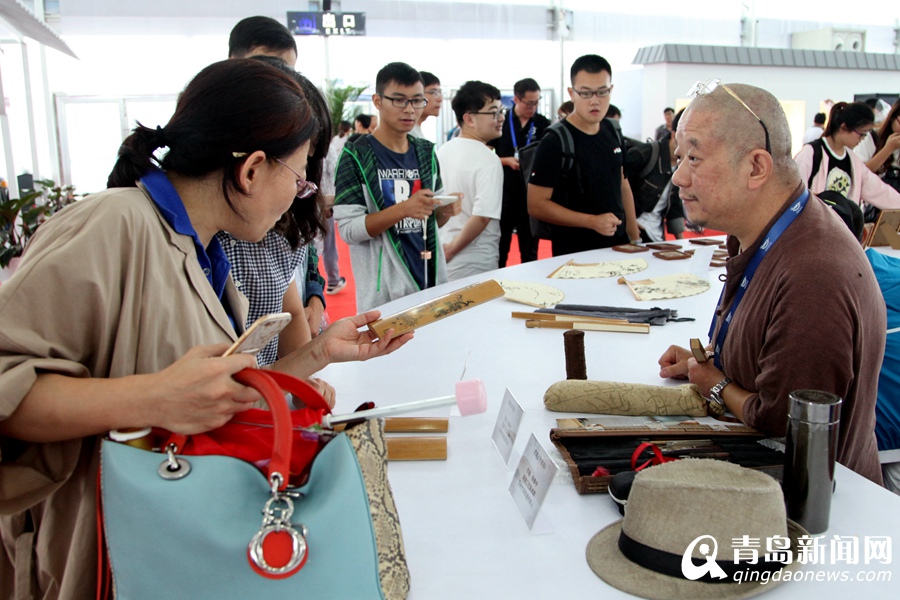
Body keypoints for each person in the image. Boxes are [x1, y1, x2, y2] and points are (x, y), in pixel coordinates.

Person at [0, 59, 413, 600]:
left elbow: (210, 398)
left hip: (163, 544)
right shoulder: (112, 224)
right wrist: (153, 397)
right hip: (104, 554)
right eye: (299, 177)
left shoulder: (208, 253)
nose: (299, 194)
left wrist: (316, 354)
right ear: (251, 171)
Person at [657, 79, 884, 484]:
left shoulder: (813, 275)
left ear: (757, 167)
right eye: (679, 157)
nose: (679, 178)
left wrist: (716, 382)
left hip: (809, 517)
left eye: (693, 158)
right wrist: (710, 357)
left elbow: (782, 423)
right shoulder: (769, 229)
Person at [227, 17, 328, 346]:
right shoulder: (154, 233)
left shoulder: (275, 229)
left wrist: (314, 294)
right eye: (268, 72)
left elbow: (290, 311)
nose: (285, 86)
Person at [334, 62, 460, 311]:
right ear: (378, 101)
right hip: (384, 298)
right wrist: (404, 209)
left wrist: (443, 211)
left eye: (417, 101)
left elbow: (430, 222)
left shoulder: (425, 152)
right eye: (399, 100)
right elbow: (349, 230)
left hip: (431, 284)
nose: (410, 109)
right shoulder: (357, 155)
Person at [527, 54, 640, 256]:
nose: (595, 101)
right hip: (574, 254)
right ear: (572, 93)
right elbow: (536, 205)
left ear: (611, 90)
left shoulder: (613, 130)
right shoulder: (555, 140)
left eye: (602, 92)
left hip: (618, 247)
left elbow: (622, 183)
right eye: (586, 93)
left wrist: (634, 235)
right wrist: (592, 221)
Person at [437, 80, 504, 279]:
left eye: (501, 110)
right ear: (469, 119)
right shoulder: (489, 159)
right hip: (475, 261)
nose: (500, 118)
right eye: (493, 112)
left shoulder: (442, 151)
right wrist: (451, 250)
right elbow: (482, 216)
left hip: (444, 254)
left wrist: (447, 251)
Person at [794, 101, 900, 214]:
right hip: (814, 226)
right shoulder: (811, 153)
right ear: (844, 127)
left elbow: (879, 191)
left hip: (843, 228)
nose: (863, 138)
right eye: (862, 133)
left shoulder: (853, 161)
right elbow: (794, 194)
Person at [490, 78, 551, 267]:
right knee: (501, 249)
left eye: (536, 102)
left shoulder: (543, 124)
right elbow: (485, 155)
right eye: (529, 103)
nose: (533, 107)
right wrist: (506, 161)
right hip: (505, 194)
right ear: (516, 99)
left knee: (530, 251)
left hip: (531, 196)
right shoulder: (501, 121)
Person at [319, 120, 353, 296]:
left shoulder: (305, 146)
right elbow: (335, 173)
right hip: (326, 203)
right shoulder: (328, 148)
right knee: (328, 245)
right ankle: (332, 280)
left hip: (310, 201)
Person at [854, 98, 900, 195]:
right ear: (892, 117)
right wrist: (888, 149)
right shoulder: (870, 138)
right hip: (875, 201)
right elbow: (859, 173)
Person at [412, 71, 442, 140]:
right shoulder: (408, 135)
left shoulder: (416, 132)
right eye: (433, 92)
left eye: (439, 92)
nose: (440, 99)